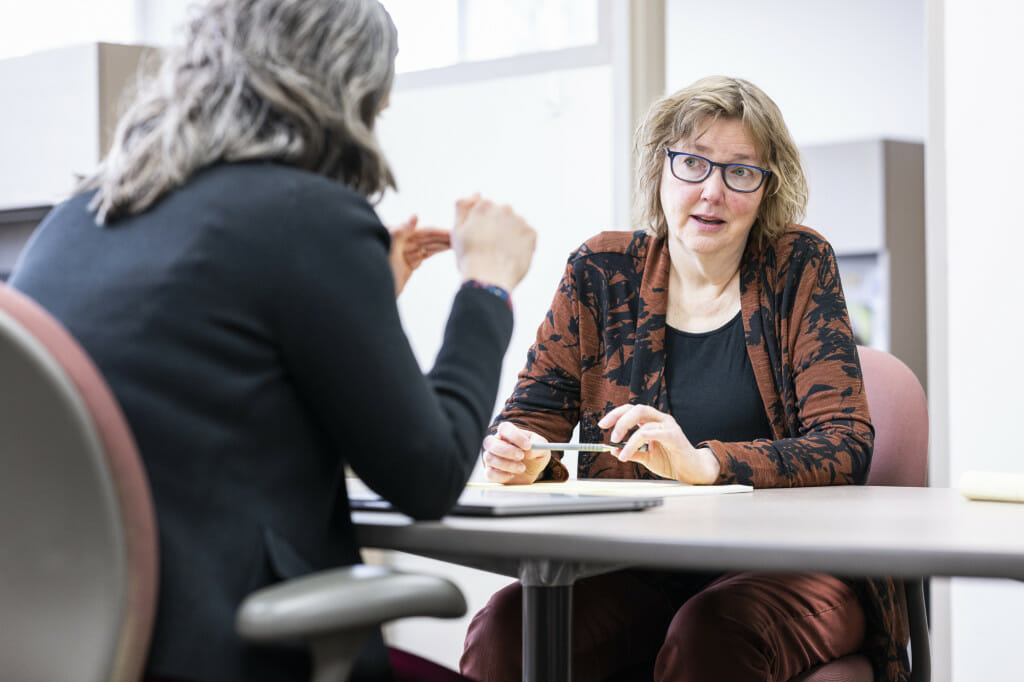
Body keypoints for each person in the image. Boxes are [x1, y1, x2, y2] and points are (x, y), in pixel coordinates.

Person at [9, 1, 535, 681]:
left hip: (77, 649)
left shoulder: (74, 220)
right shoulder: (306, 217)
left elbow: (216, 399)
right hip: (227, 649)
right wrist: (486, 288)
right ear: (350, 91)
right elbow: (429, 474)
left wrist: (362, 293)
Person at [461, 76, 909, 682]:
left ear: (768, 187)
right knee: (506, 631)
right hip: (636, 568)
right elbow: (531, 417)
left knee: (710, 635)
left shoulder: (798, 265)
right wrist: (518, 453)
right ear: (661, 170)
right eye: (692, 163)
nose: (712, 192)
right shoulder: (601, 272)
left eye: (740, 172)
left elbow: (845, 444)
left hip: (790, 569)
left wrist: (705, 463)